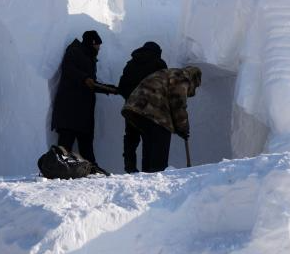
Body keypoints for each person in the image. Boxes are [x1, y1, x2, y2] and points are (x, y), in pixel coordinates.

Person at [51, 30, 116, 173]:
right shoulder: (75, 52)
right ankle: (59, 168)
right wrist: (84, 78)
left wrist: (108, 89)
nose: (99, 49)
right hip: (70, 108)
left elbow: (90, 83)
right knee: (65, 142)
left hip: (83, 111)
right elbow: (69, 69)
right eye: (98, 45)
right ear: (92, 43)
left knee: (86, 142)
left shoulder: (88, 57)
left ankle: (91, 168)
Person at [123, 66, 202, 172]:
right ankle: (156, 173)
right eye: (195, 86)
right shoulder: (183, 77)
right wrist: (183, 127)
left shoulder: (168, 73)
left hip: (134, 107)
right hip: (152, 110)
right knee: (161, 139)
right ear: (194, 79)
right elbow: (178, 103)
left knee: (150, 145)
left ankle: (147, 176)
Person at [118, 41, 168, 173]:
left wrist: (131, 97)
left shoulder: (131, 64)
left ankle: (130, 167)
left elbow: (121, 86)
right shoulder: (159, 64)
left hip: (131, 108)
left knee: (131, 138)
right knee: (149, 139)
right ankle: (148, 170)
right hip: (149, 109)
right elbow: (165, 88)